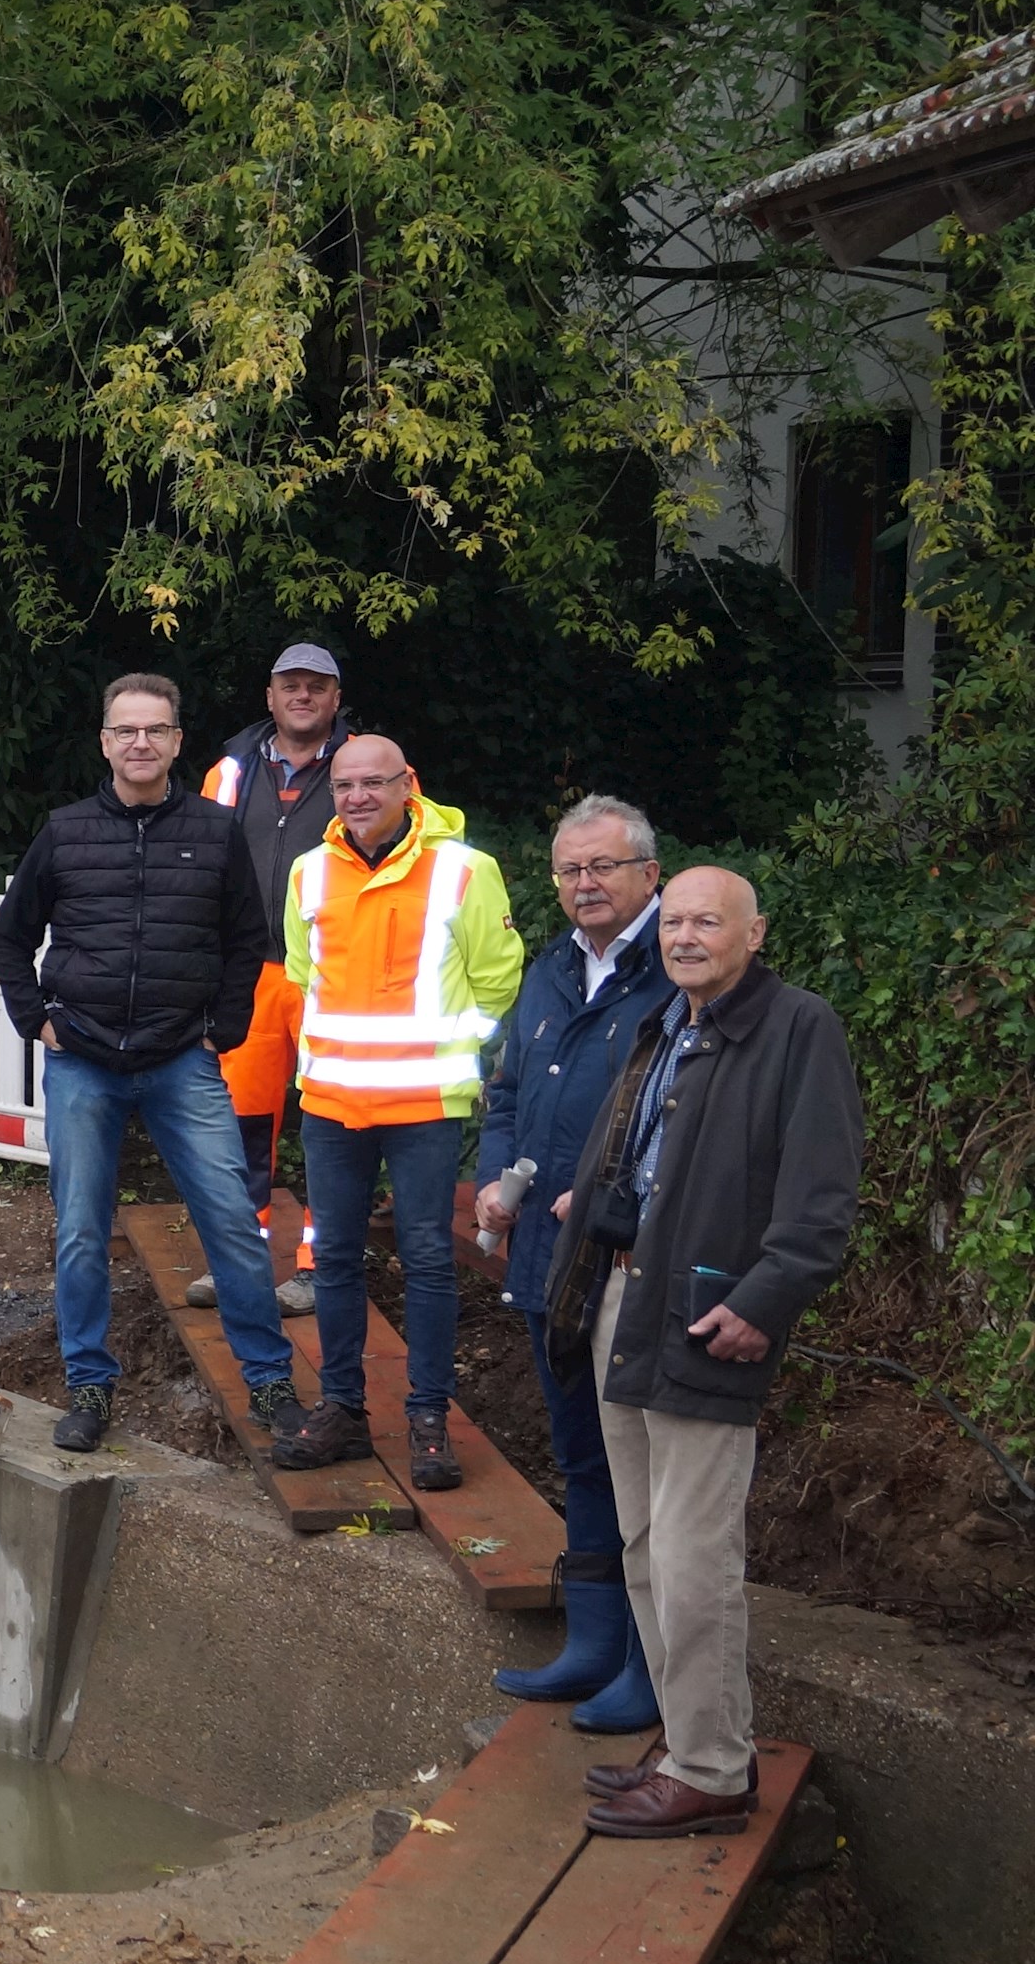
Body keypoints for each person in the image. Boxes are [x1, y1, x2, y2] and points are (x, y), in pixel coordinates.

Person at [540, 868, 860, 1838]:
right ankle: (687, 1746)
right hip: (622, 1304)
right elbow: (644, 1159)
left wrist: (763, 1300)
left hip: (704, 1314)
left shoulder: (797, 1029)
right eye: (672, 921)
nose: (684, 937)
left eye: (705, 921)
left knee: (692, 1553)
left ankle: (714, 1770)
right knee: (644, 1544)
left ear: (752, 933)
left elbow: (821, 1198)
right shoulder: (664, 1023)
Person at [0, 673, 302, 1455]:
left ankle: (268, 1379)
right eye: (125, 730)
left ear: (175, 741)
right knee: (80, 1231)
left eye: (154, 730)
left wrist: (222, 1030)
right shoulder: (65, 833)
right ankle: (89, 1383)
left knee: (231, 1220)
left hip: (179, 1060)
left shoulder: (216, 830)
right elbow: (8, 935)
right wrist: (37, 1021)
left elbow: (247, 942)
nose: (139, 742)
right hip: (84, 1061)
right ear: (105, 742)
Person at [270, 737, 523, 1490]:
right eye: (343, 784)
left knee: (429, 1261)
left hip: (423, 1105)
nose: (355, 796)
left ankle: (427, 1418)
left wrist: (449, 1052)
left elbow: (498, 981)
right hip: (333, 1105)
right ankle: (343, 1408)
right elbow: (300, 971)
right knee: (335, 1260)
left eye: (372, 783)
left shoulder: (464, 870)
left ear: (408, 785)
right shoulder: (308, 871)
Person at [477, 798, 671, 1731]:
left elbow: (682, 1117)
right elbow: (507, 1084)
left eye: (602, 867)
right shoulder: (552, 970)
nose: (584, 886)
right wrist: (493, 1176)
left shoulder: (672, 973)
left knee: (642, 1467)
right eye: (568, 871)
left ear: (649, 873)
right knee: (582, 1456)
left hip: (628, 1261)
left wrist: (612, 1198)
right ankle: (593, 1643)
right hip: (546, 1260)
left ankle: (647, 1659)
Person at [192, 642, 349, 1314]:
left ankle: (320, 1266)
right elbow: (193, 864)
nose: (303, 695)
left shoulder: (367, 768)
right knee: (239, 1126)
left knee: (329, 1122)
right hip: (247, 974)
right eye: (291, 684)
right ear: (270, 695)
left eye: (317, 685)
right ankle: (237, 1257)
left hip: (333, 973)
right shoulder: (227, 772)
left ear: (335, 699)